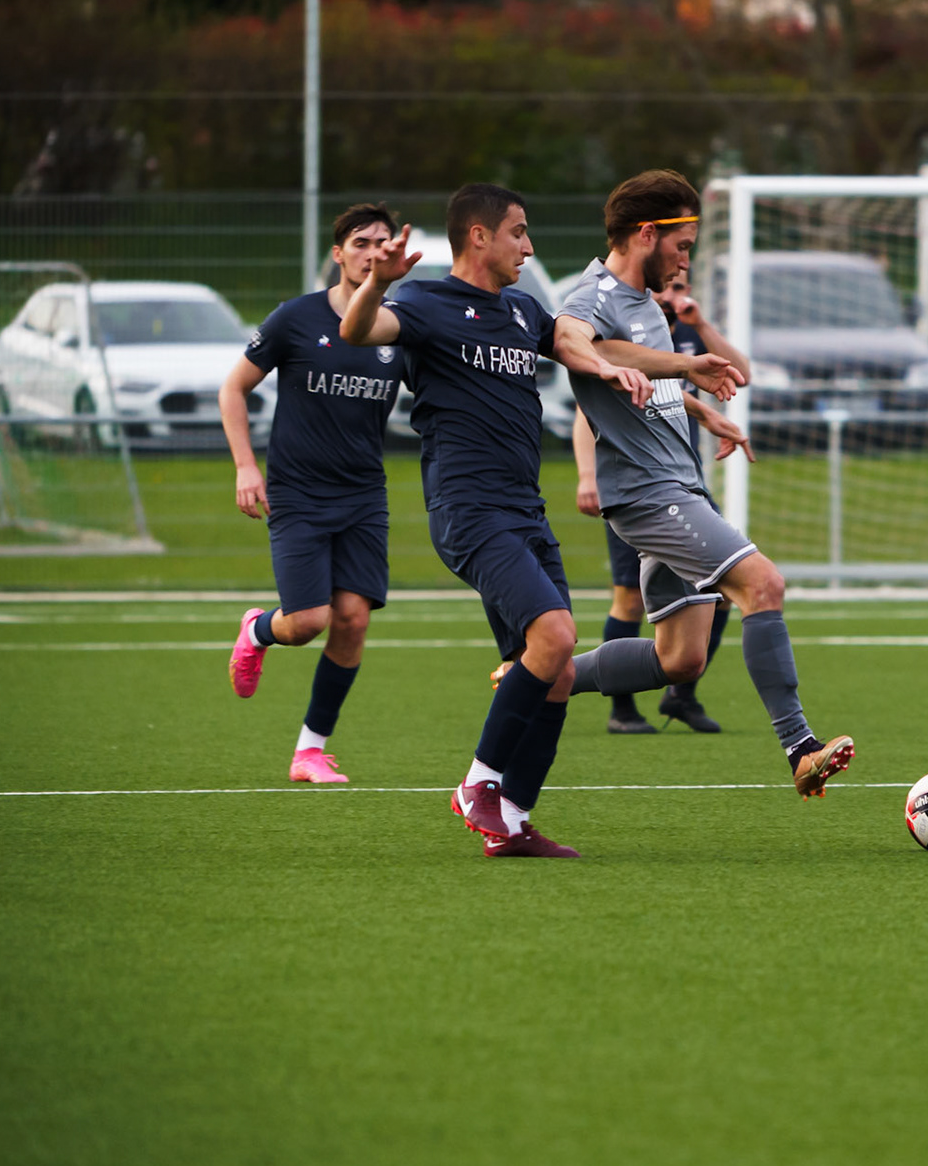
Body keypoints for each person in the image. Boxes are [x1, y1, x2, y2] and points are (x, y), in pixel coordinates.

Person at [337, 183, 731, 857]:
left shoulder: (523, 311)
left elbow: (579, 343)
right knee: (555, 635)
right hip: (469, 509)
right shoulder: (424, 303)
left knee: (556, 671)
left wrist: (658, 384)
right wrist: (376, 282)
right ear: (480, 237)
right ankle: (479, 784)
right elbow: (357, 329)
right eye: (519, 232)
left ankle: (513, 820)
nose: (529, 245)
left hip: (524, 510)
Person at [554, 168, 856, 799]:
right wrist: (683, 363)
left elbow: (640, 369)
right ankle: (800, 748)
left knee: (680, 659)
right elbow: (574, 339)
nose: (686, 258)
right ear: (646, 233)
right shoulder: (596, 295)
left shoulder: (644, 303)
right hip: (647, 493)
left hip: (675, 486)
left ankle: (544, 675)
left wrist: (695, 404)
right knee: (764, 584)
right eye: (683, 245)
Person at [220, 203, 407, 784]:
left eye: (382, 242)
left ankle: (310, 750)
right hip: (298, 493)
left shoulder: (400, 328)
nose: (372, 251)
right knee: (306, 623)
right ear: (338, 253)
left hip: (363, 496)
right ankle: (258, 629)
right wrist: (246, 467)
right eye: (359, 242)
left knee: (352, 620)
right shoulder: (295, 318)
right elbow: (233, 389)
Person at [572, 267, 731, 735]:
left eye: (681, 284)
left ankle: (682, 693)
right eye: (665, 282)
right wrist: (586, 475)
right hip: (637, 489)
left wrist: (700, 328)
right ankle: (620, 709)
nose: (671, 292)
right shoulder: (617, 326)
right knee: (629, 600)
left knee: (721, 593)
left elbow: (739, 370)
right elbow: (592, 406)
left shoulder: (677, 334)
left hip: (685, 487)